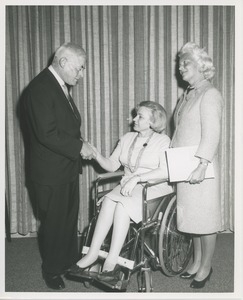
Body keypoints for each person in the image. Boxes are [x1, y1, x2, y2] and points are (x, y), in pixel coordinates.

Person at [69, 100, 173, 282]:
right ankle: (93, 253)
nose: (134, 118)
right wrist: (95, 155)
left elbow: (165, 171)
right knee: (109, 200)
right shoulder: (126, 138)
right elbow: (111, 165)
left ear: (153, 121)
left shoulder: (163, 141)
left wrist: (137, 178)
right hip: (128, 187)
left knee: (122, 206)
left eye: (140, 116)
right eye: (136, 114)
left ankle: (112, 259)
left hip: (153, 187)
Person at [24, 42, 93, 290]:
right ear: (63, 62)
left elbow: (64, 125)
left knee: (67, 218)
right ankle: (51, 270)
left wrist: (80, 143)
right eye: (79, 68)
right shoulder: (40, 88)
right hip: (49, 172)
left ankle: (67, 261)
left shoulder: (58, 85)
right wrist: (78, 148)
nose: (81, 75)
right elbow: (47, 134)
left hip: (64, 167)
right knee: (54, 222)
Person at [171, 42, 223, 288]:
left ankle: (206, 266)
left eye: (186, 63)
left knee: (205, 220)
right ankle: (197, 260)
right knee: (192, 219)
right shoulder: (188, 94)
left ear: (202, 67)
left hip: (201, 168)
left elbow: (212, 134)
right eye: (180, 64)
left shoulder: (210, 93)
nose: (181, 68)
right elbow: (179, 131)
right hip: (184, 166)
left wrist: (202, 165)